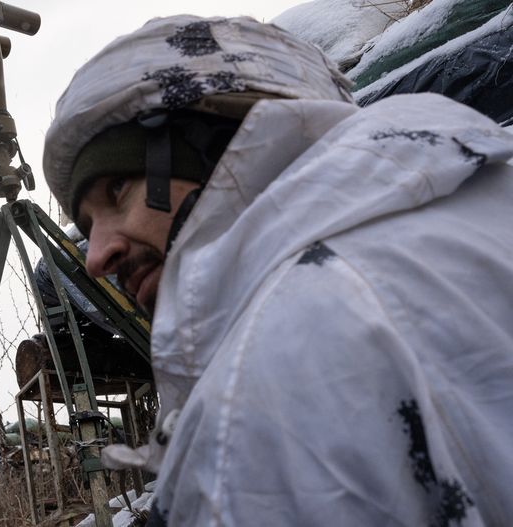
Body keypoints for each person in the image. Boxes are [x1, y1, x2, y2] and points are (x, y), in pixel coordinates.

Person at [42, 15, 513, 526]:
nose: (96, 257)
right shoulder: (478, 208)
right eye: (88, 227)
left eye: (118, 191)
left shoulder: (275, 360)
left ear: (220, 148)